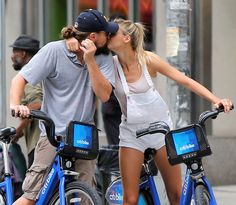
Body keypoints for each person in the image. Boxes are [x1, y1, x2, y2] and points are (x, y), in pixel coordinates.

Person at [106, 19, 233, 205]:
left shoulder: (148, 60)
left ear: (126, 38)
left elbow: (185, 81)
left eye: (112, 33)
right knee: (130, 199)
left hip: (161, 132)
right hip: (132, 134)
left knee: (175, 195)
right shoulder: (110, 64)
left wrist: (216, 100)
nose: (108, 36)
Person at [10, 9, 118, 205]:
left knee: (86, 198)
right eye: (106, 32)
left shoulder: (103, 57)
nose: (109, 36)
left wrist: (90, 60)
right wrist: (16, 105)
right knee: (31, 197)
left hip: (83, 137)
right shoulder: (55, 51)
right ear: (93, 36)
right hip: (53, 135)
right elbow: (19, 79)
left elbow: (104, 95)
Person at [10, 34, 42, 169]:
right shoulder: (41, 70)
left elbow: (38, 104)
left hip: (39, 143)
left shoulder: (28, 75)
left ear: (23, 54)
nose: (12, 56)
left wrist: (17, 130)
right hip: (47, 139)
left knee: (34, 187)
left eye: (14, 52)